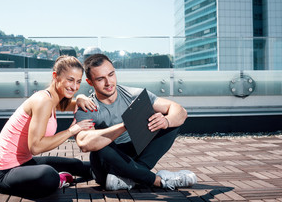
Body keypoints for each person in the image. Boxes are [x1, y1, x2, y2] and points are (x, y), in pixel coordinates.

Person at [74, 54, 197, 191]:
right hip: (107, 166)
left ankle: (131, 176)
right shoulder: (87, 106)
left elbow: (180, 111)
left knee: (170, 123)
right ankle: (159, 181)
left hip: (134, 158)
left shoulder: (133, 95)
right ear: (90, 82)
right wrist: (126, 125)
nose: (108, 83)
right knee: (99, 144)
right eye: (100, 79)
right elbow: (84, 144)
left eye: (111, 75)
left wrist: (166, 121)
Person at [0, 55, 96, 198]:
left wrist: (80, 97)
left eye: (78, 81)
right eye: (70, 80)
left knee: (77, 164)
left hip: (25, 163)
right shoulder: (43, 101)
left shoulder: (54, 100)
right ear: (56, 76)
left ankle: (114, 173)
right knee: (48, 175)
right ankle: (58, 179)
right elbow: (35, 147)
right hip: (6, 172)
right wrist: (72, 130)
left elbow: (74, 104)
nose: (74, 87)